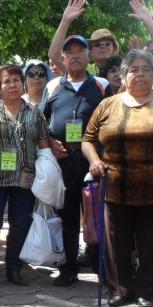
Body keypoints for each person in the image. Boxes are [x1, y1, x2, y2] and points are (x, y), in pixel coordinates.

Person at [82, 49, 153, 307]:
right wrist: (94, 161)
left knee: (151, 243)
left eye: (146, 69)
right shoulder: (107, 104)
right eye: (134, 69)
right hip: (115, 188)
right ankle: (121, 289)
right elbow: (88, 139)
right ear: (123, 75)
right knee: (116, 242)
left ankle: (147, 290)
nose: (141, 74)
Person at [42, 35, 111, 287]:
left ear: (88, 55)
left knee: (99, 217)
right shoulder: (52, 87)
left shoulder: (102, 85)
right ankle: (69, 268)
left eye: (79, 50)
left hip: (94, 161)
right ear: (62, 58)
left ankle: (104, 268)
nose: (74, 55)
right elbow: (42, 124)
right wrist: (50, 142)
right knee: (68, 217)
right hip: (64, 161)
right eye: (69, 52)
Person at [0, 64, 50, 290]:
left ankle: (13, 268)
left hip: (25, 180)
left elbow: (44, 145)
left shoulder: (35, 113)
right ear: (0, 86)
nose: (12, 85)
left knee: (20, 224)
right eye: (7, 81)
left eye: (16, 80)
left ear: (23, 83)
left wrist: (47, 172)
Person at [48, 0, 119, 76]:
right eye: (97, 44)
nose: (103, 46)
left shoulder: (124, 68)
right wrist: (65, 21)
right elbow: (54, 55)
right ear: (89, 52)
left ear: (114, 49)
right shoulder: (81, 69)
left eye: (108, 43)